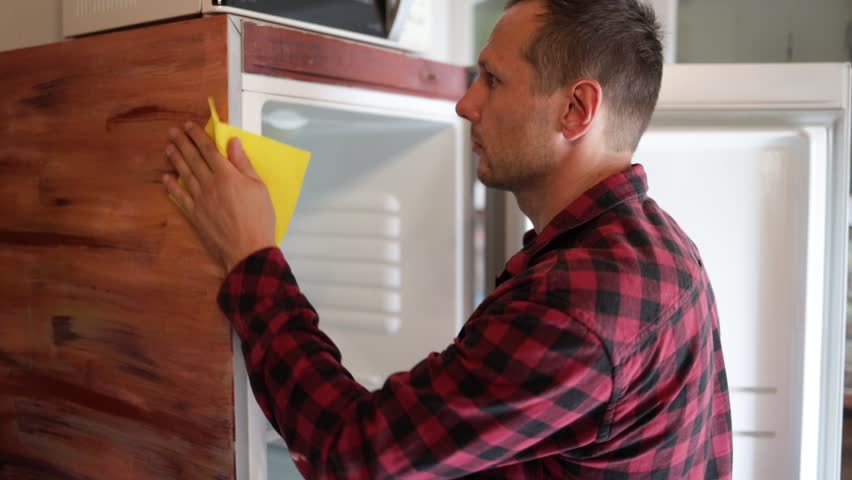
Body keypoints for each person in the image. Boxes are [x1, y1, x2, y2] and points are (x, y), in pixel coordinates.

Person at [162, 0, 733, 477]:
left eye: (493, 79)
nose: (466, 104)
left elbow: (354, 458)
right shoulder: (662, 246)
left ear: (576, 109)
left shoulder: (579, 302)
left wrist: (251, 257)